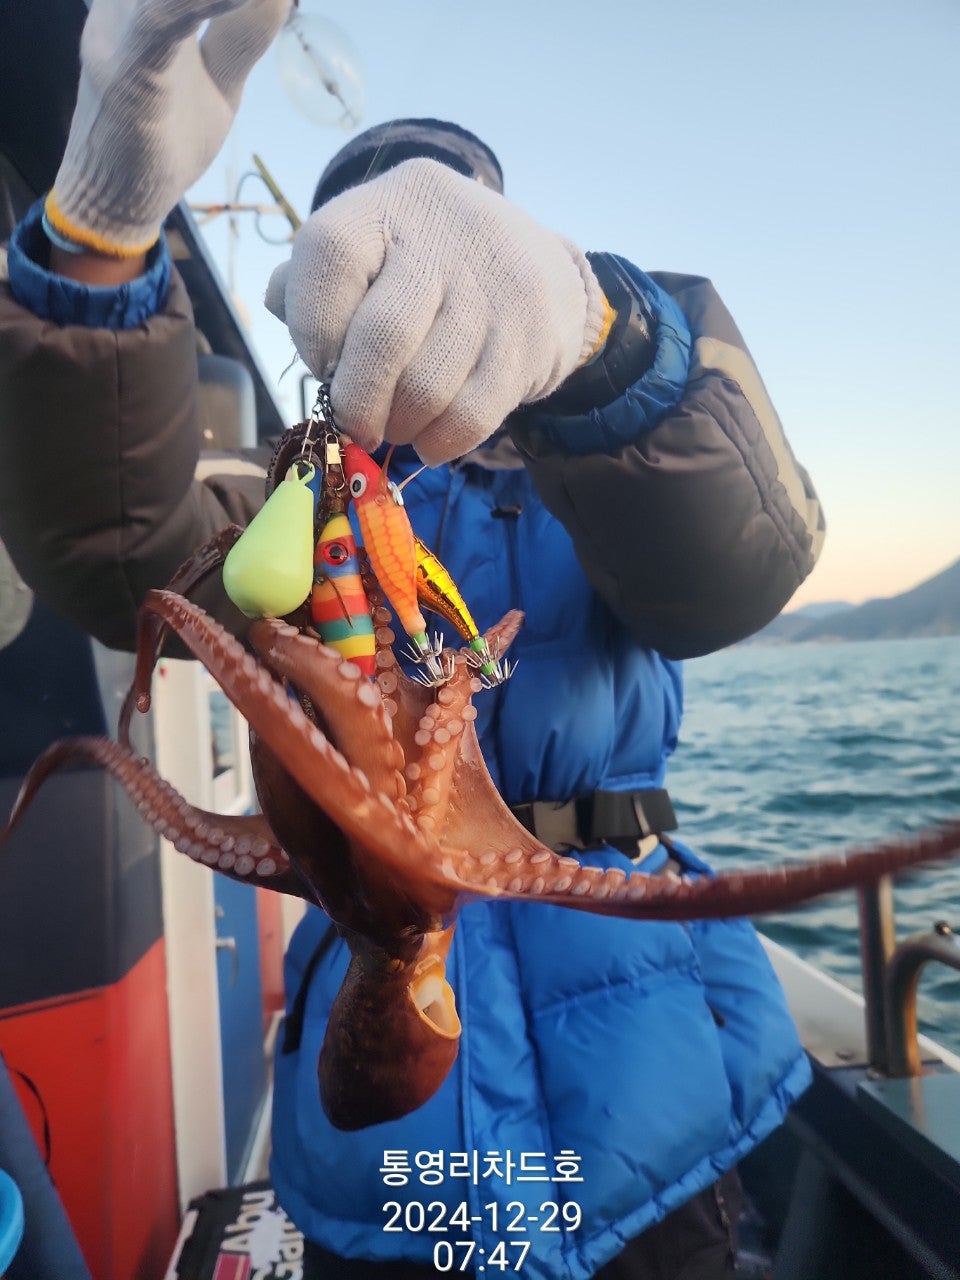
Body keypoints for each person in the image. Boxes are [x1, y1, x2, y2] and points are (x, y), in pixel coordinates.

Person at [0, 2, 826, 1277]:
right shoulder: (290, 504)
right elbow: (121, 555)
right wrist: (98, 237)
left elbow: (737, 569)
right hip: (388, 1152)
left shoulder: (593, 470)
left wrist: (605, 341)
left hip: (642, 1107)